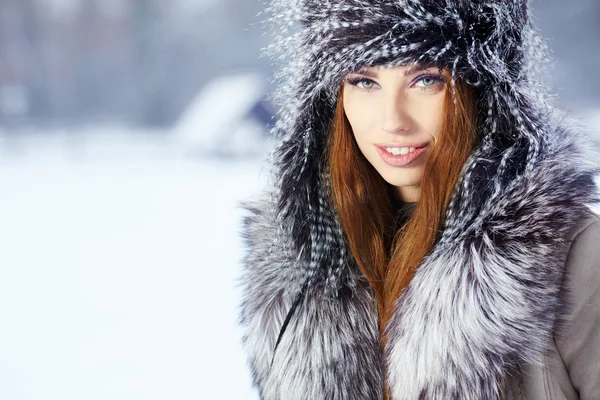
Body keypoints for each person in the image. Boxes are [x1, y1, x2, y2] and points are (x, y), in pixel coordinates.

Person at [238, 1, 600, 399]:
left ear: (487, 93)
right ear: (332, 98)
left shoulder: (578, 255)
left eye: (426, 80)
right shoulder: (296, 260)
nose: (393, 120)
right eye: (364, 81)